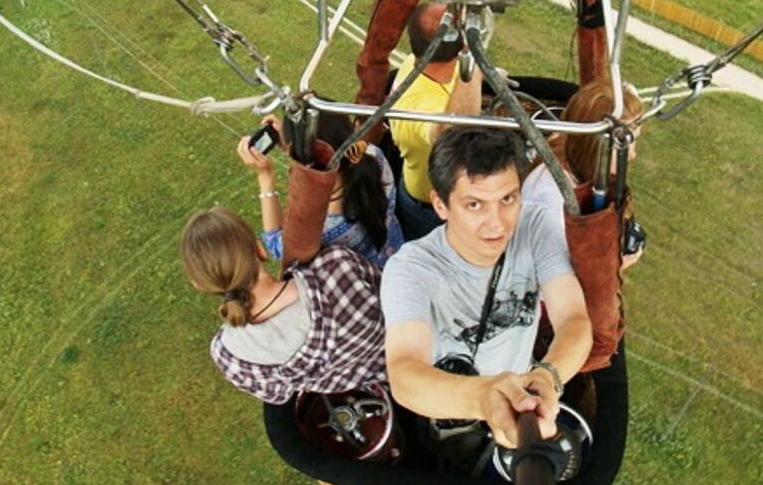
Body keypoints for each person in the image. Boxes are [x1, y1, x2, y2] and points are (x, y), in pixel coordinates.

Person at [381, 127, 593, 449]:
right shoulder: (410, 270)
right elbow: (404, 376)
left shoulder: (535, 226)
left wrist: (546, 377)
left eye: (507, 199)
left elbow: (574, 320)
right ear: (440, 205)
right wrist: (485, 398)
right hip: (448, 407)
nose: (497, 223)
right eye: (475, 205)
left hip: (521, 396)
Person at [180, 206, 386, 404]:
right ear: (259, 249)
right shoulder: (336, 268)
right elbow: (393, 292)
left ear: (200, 285)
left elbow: (277, 396)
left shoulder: (228, 356)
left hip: (370, 395)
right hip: (401, 361)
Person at [238, 109, 403, 270]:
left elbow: (277, 245)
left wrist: (265, 176)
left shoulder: (319, 224)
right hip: (398, 251)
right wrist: (294, 144)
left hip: (372, 279)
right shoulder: (372, 155)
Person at [522, 79, 645, 271]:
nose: (632, 155)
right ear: (592, 143)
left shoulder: (576, 164)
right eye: (622, 146)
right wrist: (612, 268)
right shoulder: (550, 200)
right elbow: (545, 279)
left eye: (634, 141)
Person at [389, 2, 482, 240]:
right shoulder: (413, 106)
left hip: (442, 193)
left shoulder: (421, 59)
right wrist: (473, 55)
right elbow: (454, 132)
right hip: (430, 211)